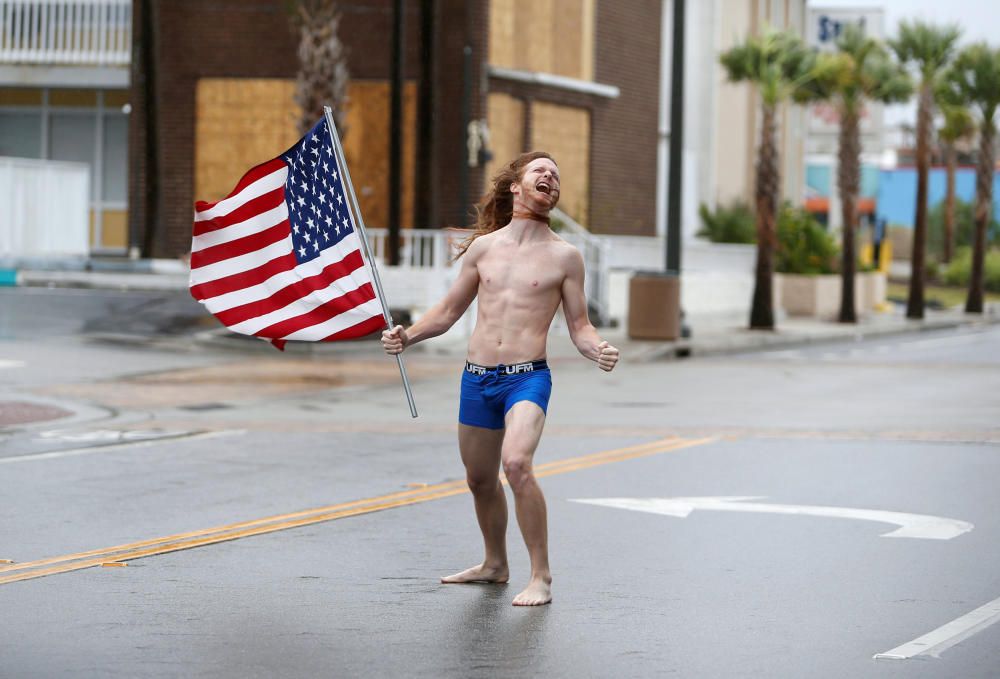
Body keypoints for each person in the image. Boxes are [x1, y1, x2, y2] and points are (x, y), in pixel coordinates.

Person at [381, 151, 620, 606]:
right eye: (540, 171)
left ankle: (541, 577)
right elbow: (449, 311)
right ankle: (494, 564)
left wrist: (597, 349)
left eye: (555, 173)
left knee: (516, 464)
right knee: (479, 479)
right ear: (516, 186)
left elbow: (579, 326)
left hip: (526, 378)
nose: (549, 176)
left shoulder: (565, 257)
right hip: (476, 379)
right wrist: (407, 336)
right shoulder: (483, 249)